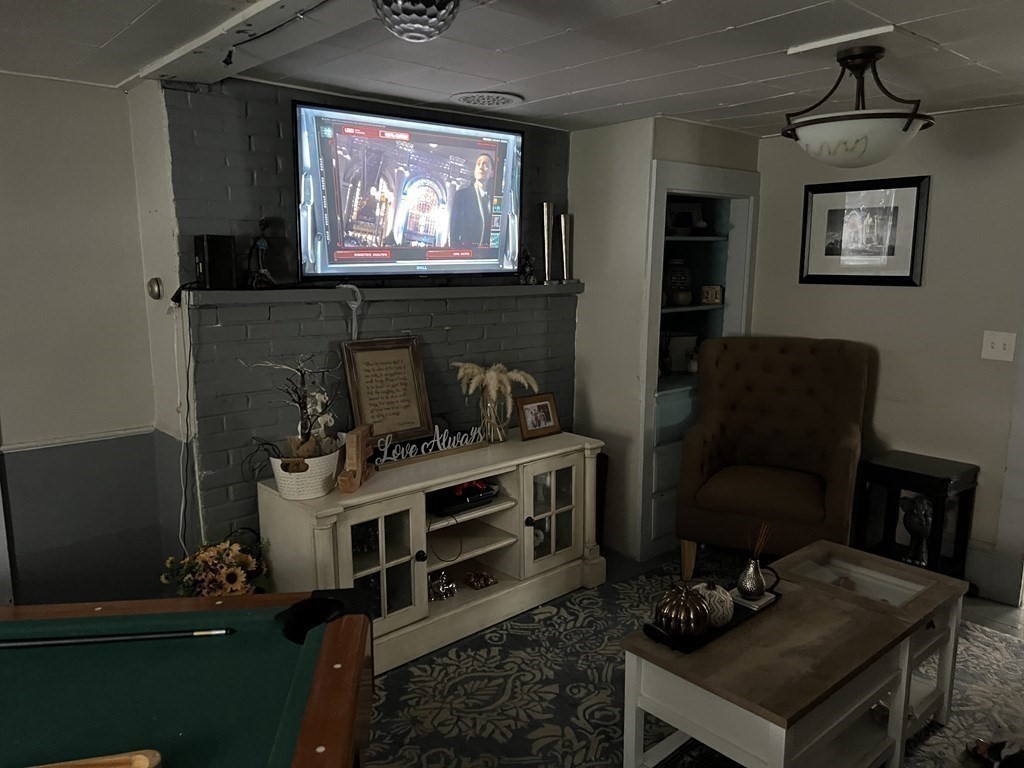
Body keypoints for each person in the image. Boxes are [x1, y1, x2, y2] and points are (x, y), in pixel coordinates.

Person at [450, 153, 494, 247]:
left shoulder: (494, 200)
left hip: (487, 257)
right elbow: (454, 231)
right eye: (478, 164)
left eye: (485, 165)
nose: (481, 167)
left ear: (492, 173)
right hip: (467, 255)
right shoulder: (462, 195)